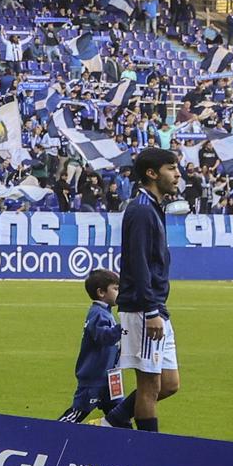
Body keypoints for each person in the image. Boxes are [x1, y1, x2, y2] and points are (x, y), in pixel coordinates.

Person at [106, 148, 181, 431]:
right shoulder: (140, 210)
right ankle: (149, 452)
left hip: (156, 307)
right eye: (171, 169)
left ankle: (112, 422)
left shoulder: (152, 207)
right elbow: (136, 263)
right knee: (149, 386)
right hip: (143, 308)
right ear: (152, 173)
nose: (177, 175)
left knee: (170, 384)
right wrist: (150, 310)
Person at [54, 269, 128, 424]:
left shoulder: (105, 313)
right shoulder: (98, 314)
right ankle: (51, 434)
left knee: (121, 416)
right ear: (101, 292)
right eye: (115, 289)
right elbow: (103, 337)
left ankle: (127, 443)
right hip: (94, 379)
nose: (119, 292)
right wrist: (123, 328)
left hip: (110, 378)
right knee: (76, 414)